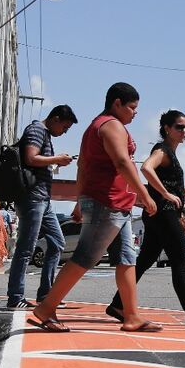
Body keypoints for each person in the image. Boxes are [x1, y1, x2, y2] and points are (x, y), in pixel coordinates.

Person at [29, 83, 161, 333]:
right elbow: (122, 162)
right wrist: (145, 195)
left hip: (113, 202)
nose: (135, 113)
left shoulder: (95, 126)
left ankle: (131, 315)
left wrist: (80, 201)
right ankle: (46, 308)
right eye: (132, 108)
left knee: (126, 258)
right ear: (117, 103)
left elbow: (83, 167)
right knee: (86, 257)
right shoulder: (111, 125)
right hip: (107, 202)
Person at [107, 110, 185, 326]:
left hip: (159, 215)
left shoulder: (171, 153)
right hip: (164, 215)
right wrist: (167, 195)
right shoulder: (163, 150)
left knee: (145, 260)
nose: (184, 131)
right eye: (179, 127)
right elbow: (146, 169)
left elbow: (173, 186)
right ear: (167, 128)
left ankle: (118, 304)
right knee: (179, 262)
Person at [6, 105, 79, 309]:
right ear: (55, 119)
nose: (64, 132)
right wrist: (57, 160)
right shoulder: (37, 130)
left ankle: (46, 293)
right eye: (64, 127)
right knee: (25, 248)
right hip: (32, 198)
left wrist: (55, 162)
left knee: (57, 243)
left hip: (43, 200)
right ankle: (15, 297)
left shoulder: (44, 134)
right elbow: (31, 157)